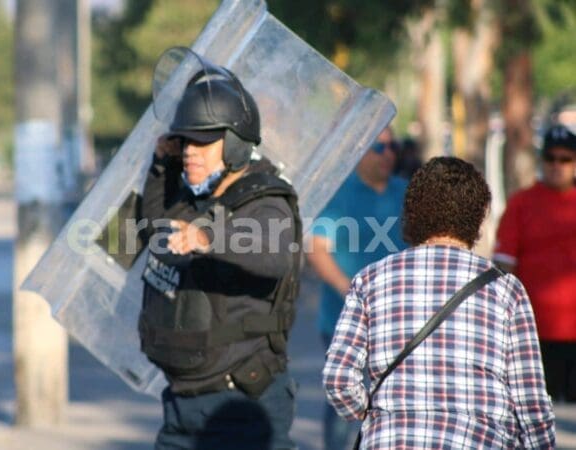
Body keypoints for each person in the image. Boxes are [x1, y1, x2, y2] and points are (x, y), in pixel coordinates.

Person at [323, 157, 555, 448]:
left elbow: (338, 378)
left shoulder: (370, 280)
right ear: (478, 217)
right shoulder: (506, 290)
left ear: (412, 213)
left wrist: (374, 415)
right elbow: (530, 401)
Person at [138, 67, 301, 449]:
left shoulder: (266, 200)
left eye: (203, 142)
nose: (190, 151)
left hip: (242, 405)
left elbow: (275, 253)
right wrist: (161, 166)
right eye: (185, 141)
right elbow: (153, 227)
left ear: (235, 145)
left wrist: (208, 237)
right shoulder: (195, 197)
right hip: (181, 406)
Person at [307, 126, 407, 449]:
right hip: (345, 321)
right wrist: (351, 292)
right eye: (379, 148)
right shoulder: (339, 193)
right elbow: (316, 249)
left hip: (398, 321)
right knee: (345, 405)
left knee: (395, 401)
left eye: (392, 147)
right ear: (360, 150)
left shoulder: (406, 192)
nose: (387, 154)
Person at [494, 123, 576, 403]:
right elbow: (503, 266)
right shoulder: (521, 204)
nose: (557, 165)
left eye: (565, 159)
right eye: (551, 158)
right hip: (533, 335)